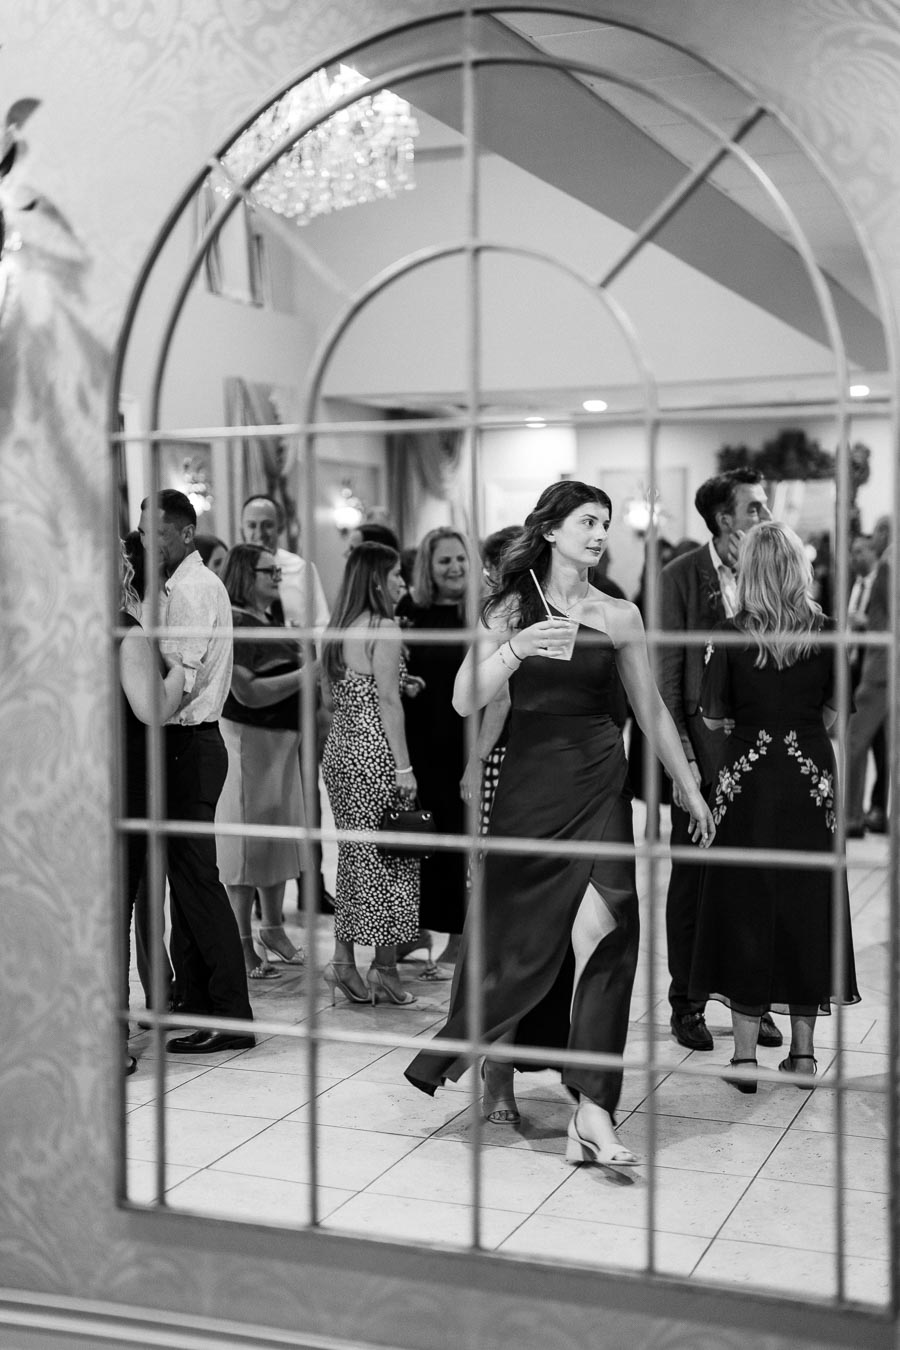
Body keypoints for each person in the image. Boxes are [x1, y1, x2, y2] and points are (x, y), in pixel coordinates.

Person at [405, 481, 714, 1166]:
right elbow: (462, 698)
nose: (599, 533)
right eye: (586, 521)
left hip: (600, 780)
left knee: (610, 931)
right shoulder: (511, 607)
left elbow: (650, 709)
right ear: (549, 530)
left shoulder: (621, 614)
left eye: (605, 522)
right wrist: (515, 649)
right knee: (519, 941)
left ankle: (594, 1108)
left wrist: (688, 788)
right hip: (529, 790)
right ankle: (495, 1066)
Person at [689, 521, 860, 1090]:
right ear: (799, 568)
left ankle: (742, 1059)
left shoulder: (732, 635)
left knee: (744, 903)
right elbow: (836, 715)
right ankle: (805, 1056)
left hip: (749, 779)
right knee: (807, 902)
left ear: (750, 572)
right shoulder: (827, 633)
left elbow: (713, 717)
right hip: (811, 778)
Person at [660, 468, 783, 1054]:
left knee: (753, 884)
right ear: (724, 519)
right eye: (755, 508)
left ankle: (749, 999)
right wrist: (684, 771)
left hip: (759, 758)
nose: (765, 516)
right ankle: (687, 999)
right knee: (693, 883)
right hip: (700, 759)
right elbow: (663, 683)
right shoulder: (680, 578)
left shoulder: (771, 575)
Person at [138, 489, 255, 1054]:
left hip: (189, 744)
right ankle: (201, 1000)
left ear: (185, 534)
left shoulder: (190, 589)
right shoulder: (176, 586)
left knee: (198, 886)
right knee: (188, 886)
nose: (146, 542)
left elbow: (176, 681)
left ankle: (231, 1014)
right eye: (141, 533)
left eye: (156, 532)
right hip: (188, 746)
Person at [320, 542, 421, 1006]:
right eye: (397, 573)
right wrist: (404, 766)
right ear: (379, 579)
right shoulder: (385, 627)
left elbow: (339, 694)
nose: (404, 581)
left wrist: (401, 680)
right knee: (393, 858)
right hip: (375, 753)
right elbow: (387, 703)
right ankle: (384, 967)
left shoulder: (338, 628)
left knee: (357, 857)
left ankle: (346, 959)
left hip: (341, 749)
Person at [216, 543, 306, 978]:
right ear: (245, 575)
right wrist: (311, 673)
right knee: (248, 844)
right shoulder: (233, 620)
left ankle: (273, 927)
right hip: (251, 739)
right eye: (268, 571)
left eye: (277, 570)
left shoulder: (268, 618)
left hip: (282, 741)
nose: (277, 577)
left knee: (276, 835)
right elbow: (246, 691)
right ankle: (240, 943)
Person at [240, 493, 332, 909]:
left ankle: (311, 887)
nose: (260, 533)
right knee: (260, 800)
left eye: (267, 526)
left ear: (279, 528)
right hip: (252, 708)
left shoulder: (299, 570)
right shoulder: (238, 571)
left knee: (303, 792)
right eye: (252, 525)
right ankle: (263, 897)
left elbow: (322, 631)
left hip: (299, 696)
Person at [118, 544, 186, 1071]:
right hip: (119, 789)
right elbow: (152, 708)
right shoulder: (125, 630)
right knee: (114, 912)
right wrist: (178, 674)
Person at [400, 527, 472, 973]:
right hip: (419, 741)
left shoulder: (479, 614)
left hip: (462, 741)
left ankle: (459, 937)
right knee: (417, 840)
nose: (455, 568)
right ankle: (417, 930)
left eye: (461, 559)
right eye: (445, 560)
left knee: (455, 843)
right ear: (428, 566)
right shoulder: (409, 612)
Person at [846, 516, 891, 837]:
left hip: (879, 668)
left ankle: (850, 819)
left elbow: (886, 626)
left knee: (854, 741)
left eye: (876, 531)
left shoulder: (889, 564)